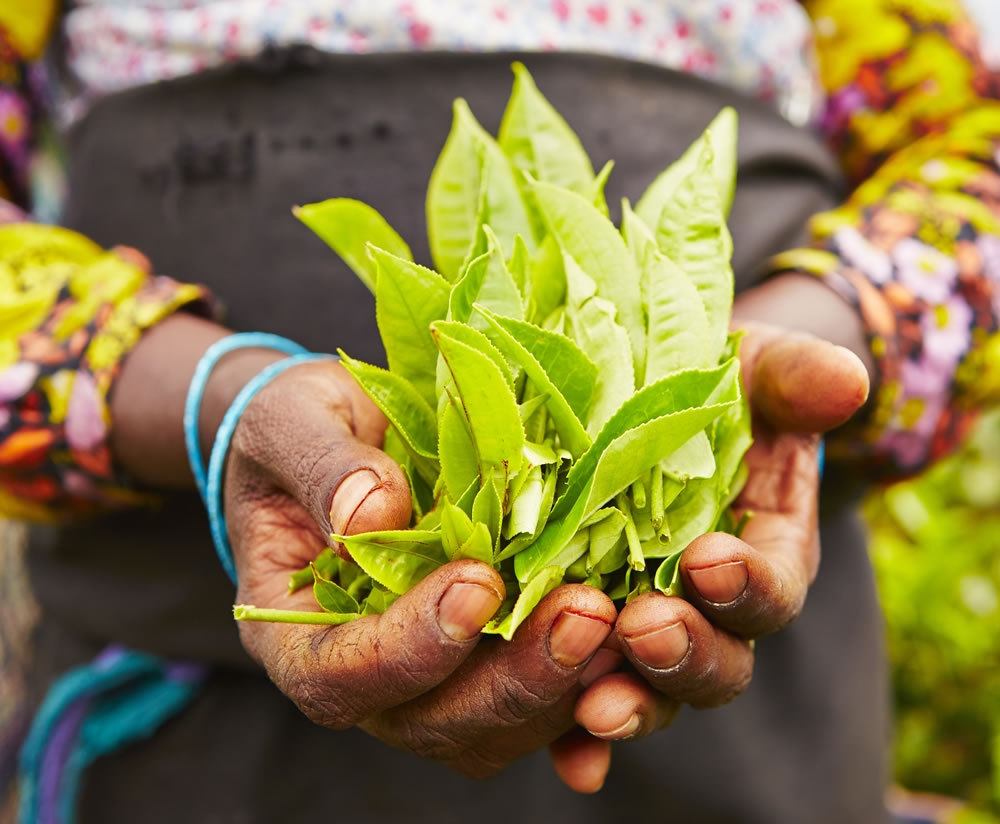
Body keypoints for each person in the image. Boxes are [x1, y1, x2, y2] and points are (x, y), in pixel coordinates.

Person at [0, 1, 998, 822]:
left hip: (737, 672)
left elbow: (976, 156)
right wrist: (215, 395)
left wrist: (812, 327)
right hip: (187, 701)